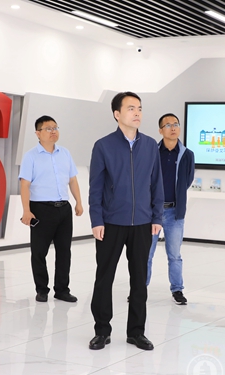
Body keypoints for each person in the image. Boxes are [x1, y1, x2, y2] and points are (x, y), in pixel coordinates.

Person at [88, 92, 164, 351]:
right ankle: (101, 331)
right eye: (131, 108)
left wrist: (156, 216)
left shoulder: (150, 145)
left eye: (139, 108)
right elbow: (96, 187)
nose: (137, 112)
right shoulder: (103, 146)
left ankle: (136, 332)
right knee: (104, 277)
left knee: (139, 279)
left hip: (142, 223)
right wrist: (97, 219)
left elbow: (157, 183)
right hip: (111, 223)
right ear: (117, 114)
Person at [19, 115, 83, 303]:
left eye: (55, 128)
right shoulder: (31, 156)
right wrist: (26, 210)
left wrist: (78, 202)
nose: (53, 131)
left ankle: (62, 290)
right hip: (41, 209)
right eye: (48, 128)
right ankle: (41, 289)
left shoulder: (65, 153)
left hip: (64, 209)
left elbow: (72, 180)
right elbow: (24, 185)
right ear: (38, 133)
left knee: (64, 251)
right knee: (39, 252)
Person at [147, 113, 195, 305]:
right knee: (145, 254)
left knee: (174, 255)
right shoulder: (152, 152)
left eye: (176, 124)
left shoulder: (187, 154)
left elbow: (187, 180)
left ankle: (177, 290)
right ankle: (139, 289)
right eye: (168, 125)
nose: (173, 128)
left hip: (175, 213)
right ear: (161, 130)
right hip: (152, 212)